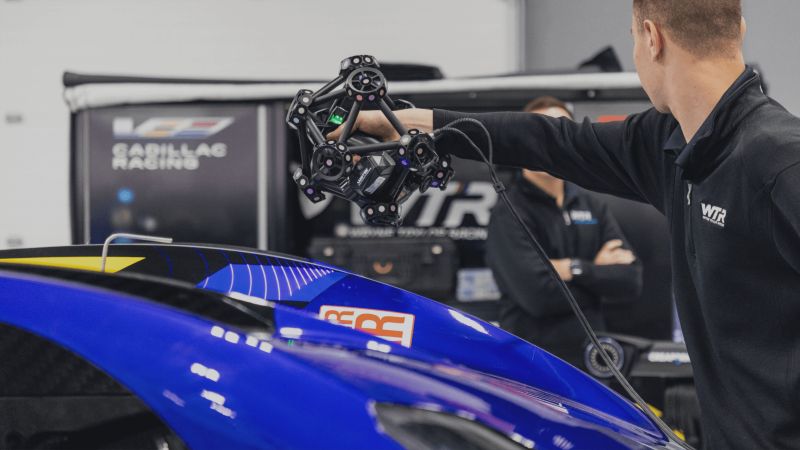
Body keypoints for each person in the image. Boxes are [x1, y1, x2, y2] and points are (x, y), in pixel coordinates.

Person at [331, 1, 800, 447]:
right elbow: (549, 140)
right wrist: (416, 124)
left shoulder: (779, 162)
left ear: (651, 38)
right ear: (738, 29)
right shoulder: (671, 144)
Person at [486, 96, 642, 366]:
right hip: (532, 363)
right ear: (523, 142)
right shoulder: (508, 211)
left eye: (560, 132)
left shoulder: (591, 204)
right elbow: (537, 297)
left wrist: (574, 268)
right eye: (542, 133)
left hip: (592, 360)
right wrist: (598, 272)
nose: (551, 143)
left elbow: (630, 281)